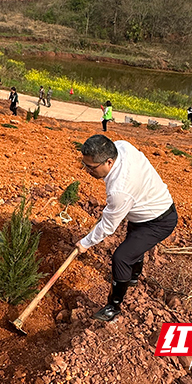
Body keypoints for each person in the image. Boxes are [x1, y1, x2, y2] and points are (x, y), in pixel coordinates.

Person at [76, 135, 177, 322]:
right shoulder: (121, 146)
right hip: (144, 208)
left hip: (159, 220)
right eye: (84, 164)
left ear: (108, 161)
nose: (86, 171)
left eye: (90, 167)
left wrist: (85, 243)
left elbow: (108, 226)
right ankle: (132, 278)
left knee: (121, 257)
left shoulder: (120, 190)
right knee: (133, 241)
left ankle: (113, 307)